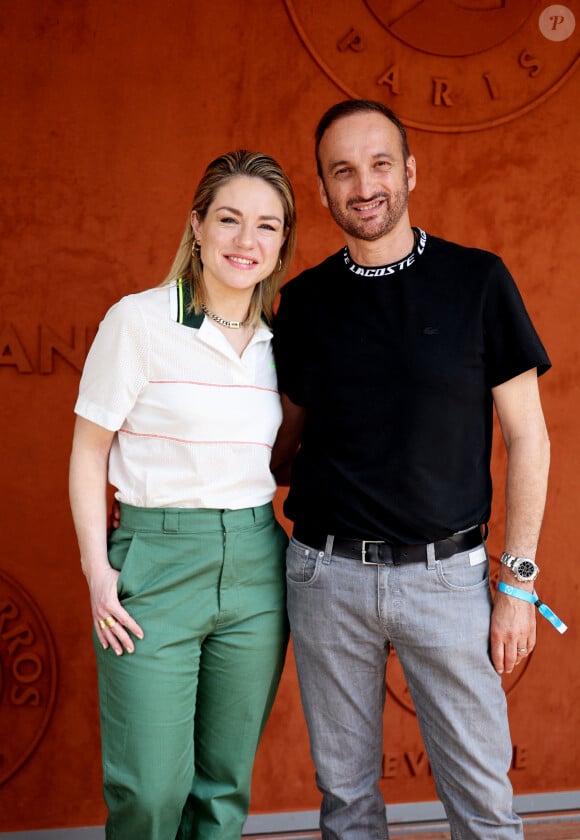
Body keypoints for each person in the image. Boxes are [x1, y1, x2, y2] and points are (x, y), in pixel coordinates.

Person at [271, 100, 553, 839]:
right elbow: (278, 444)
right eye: (343, 171)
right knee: (347, 805)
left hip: (447, 578)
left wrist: (518, 581)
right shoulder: (300, 304)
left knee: (484, 806)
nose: (363, 185)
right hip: (324, 578)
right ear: (325, 188)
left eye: (379, 164)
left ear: (410, 172)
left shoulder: (477, 281)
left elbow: (529, 438)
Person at [69, 149, 297, 840]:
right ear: (196, 225)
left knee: (223, 789)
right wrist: (98, 573)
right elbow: (88, 452)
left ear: (282, 242)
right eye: (228, 219)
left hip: (258, 565)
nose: (245, 241)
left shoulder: (281, 342)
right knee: (150, 791)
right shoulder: (138, 322)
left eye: (266, 226)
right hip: (156, 562)